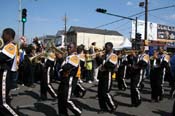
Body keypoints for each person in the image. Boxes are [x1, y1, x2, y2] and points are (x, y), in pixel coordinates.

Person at [58, 42, 82, 116]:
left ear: (74, 49)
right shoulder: (67, 57)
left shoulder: (75, 57)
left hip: (70, 80)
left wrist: (61, 59)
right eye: (68, 47)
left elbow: (66, 67)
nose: (68, 48)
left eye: (70, 47)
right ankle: (63, 113)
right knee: (61, 98)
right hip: (64, 79)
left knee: (66, 100)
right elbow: (62, 70)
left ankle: (78, 111)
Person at [0, 28, 18, 116]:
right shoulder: (5, 46)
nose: (2, 36)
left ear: (9, 36)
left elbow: (2, 57)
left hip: (5, 74)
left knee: (3, 103)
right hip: (2, 73)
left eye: (3, 34)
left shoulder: (11, 46)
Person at [97, 42, 118, 113]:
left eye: (107, 47)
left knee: (105, 92)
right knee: (100, 93)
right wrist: (99, 57)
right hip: (102, 75)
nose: (105, 48)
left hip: (107, 75)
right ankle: (103, 108)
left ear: (111, 47)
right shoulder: (105, 55)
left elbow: (111, 64)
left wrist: (103, 66)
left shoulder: (114, 55)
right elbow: (99, 63)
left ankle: (113, 105)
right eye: (105, 47)